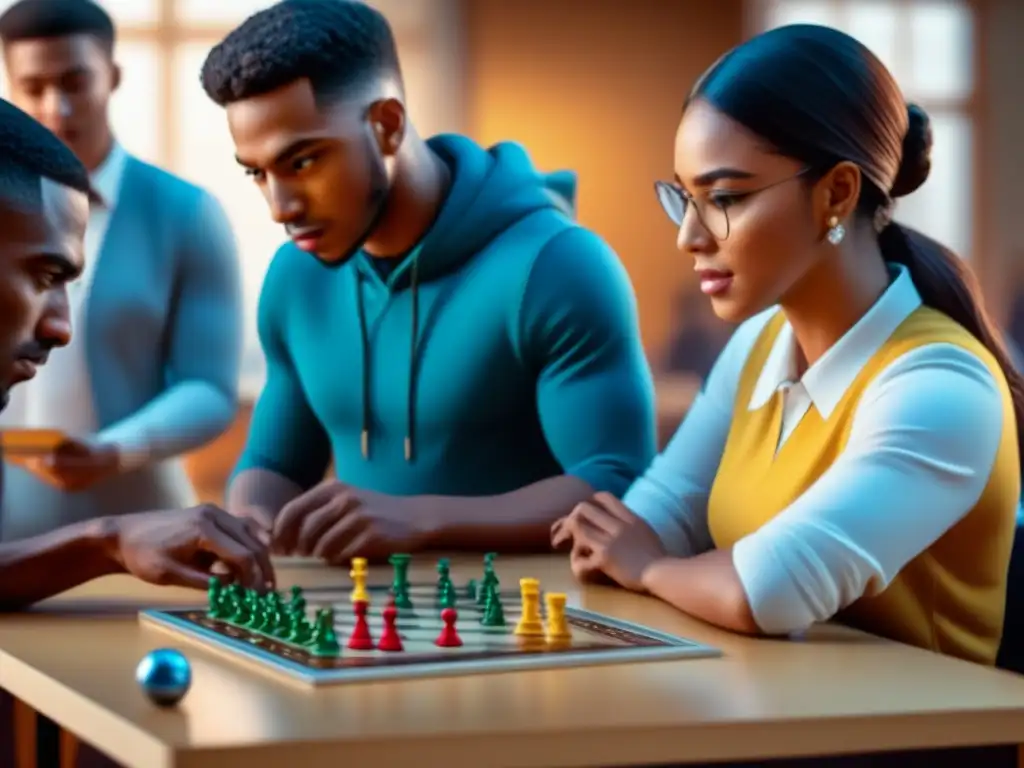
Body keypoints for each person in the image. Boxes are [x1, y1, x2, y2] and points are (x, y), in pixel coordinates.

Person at [553, 24, 1022, 669]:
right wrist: (649, 554)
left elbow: (764, 591)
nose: (689, 235)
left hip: (916, 740)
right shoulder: (758, 344)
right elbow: (654, 515)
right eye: (684, 199)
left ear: (836, 194)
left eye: (723, 198)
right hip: (776, 712)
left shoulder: (940, 387)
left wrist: (652, 569)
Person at [198, 0, 656, 561]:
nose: (280, 206)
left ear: (387, 126)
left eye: (303, 162)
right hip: (364, 626)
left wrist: (423, 519)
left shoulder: (556, 265)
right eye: (257, 173)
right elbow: (273, 465)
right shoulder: (297, 276)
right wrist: (252, 521)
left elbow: (617, 483)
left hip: (531, 626)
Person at [0, 0, 243, 540]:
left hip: (142, 525)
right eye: (33, 87)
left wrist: (114, 449)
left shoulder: (187, 213)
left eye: (74, 82)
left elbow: (208, 386)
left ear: (111, 76)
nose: (56, 108)